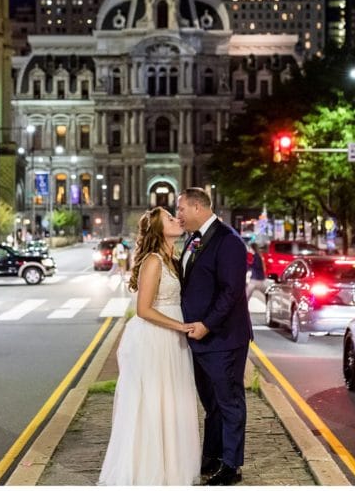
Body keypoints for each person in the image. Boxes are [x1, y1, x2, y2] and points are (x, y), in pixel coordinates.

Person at [98, 208, 200, 486]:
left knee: (172, 401)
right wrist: (181, 327)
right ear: (158, 229)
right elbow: (143, 309)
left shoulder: (173, 258)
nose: (176, 219)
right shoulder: (153, 261)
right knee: (154, 402)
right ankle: (149, 470)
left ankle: (171, 468)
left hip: (172, 339)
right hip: (157, 338)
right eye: (169, 218)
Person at [176, 187, 254, 486]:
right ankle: (211, 454)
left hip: (223, 338)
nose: (179, 214)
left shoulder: (229, 241)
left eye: (181, 209)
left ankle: (231, 465)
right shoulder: (194, 239)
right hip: (199, 339)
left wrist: (206, 325)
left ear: (198, 208)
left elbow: (231, 292)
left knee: (230, 402)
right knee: (212, 404)